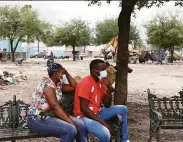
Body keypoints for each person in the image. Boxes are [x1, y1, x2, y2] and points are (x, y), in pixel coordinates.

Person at [27, 63, 88, 142]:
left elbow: (74, 87)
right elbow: (54, 106)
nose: (63, 76)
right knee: (70, 130)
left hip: (51, 115)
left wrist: (66, 72)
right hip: (37, 119)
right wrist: (71, 123)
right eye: (62, 73)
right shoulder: (48, 85)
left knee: (80, 124)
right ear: (57, 73)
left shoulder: (57, 85)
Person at [74, 59, 130, 142]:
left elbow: (107, 104)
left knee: (123, 108)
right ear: (94, 71)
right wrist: (103, 123)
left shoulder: (100, 82)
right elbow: (84, 109)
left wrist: (109, 88)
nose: (105, 72)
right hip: (84, 116)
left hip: (97, 112)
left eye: (105, 69)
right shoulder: (85, 83)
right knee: (105, 134)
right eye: (103, 70)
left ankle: (124, 139)